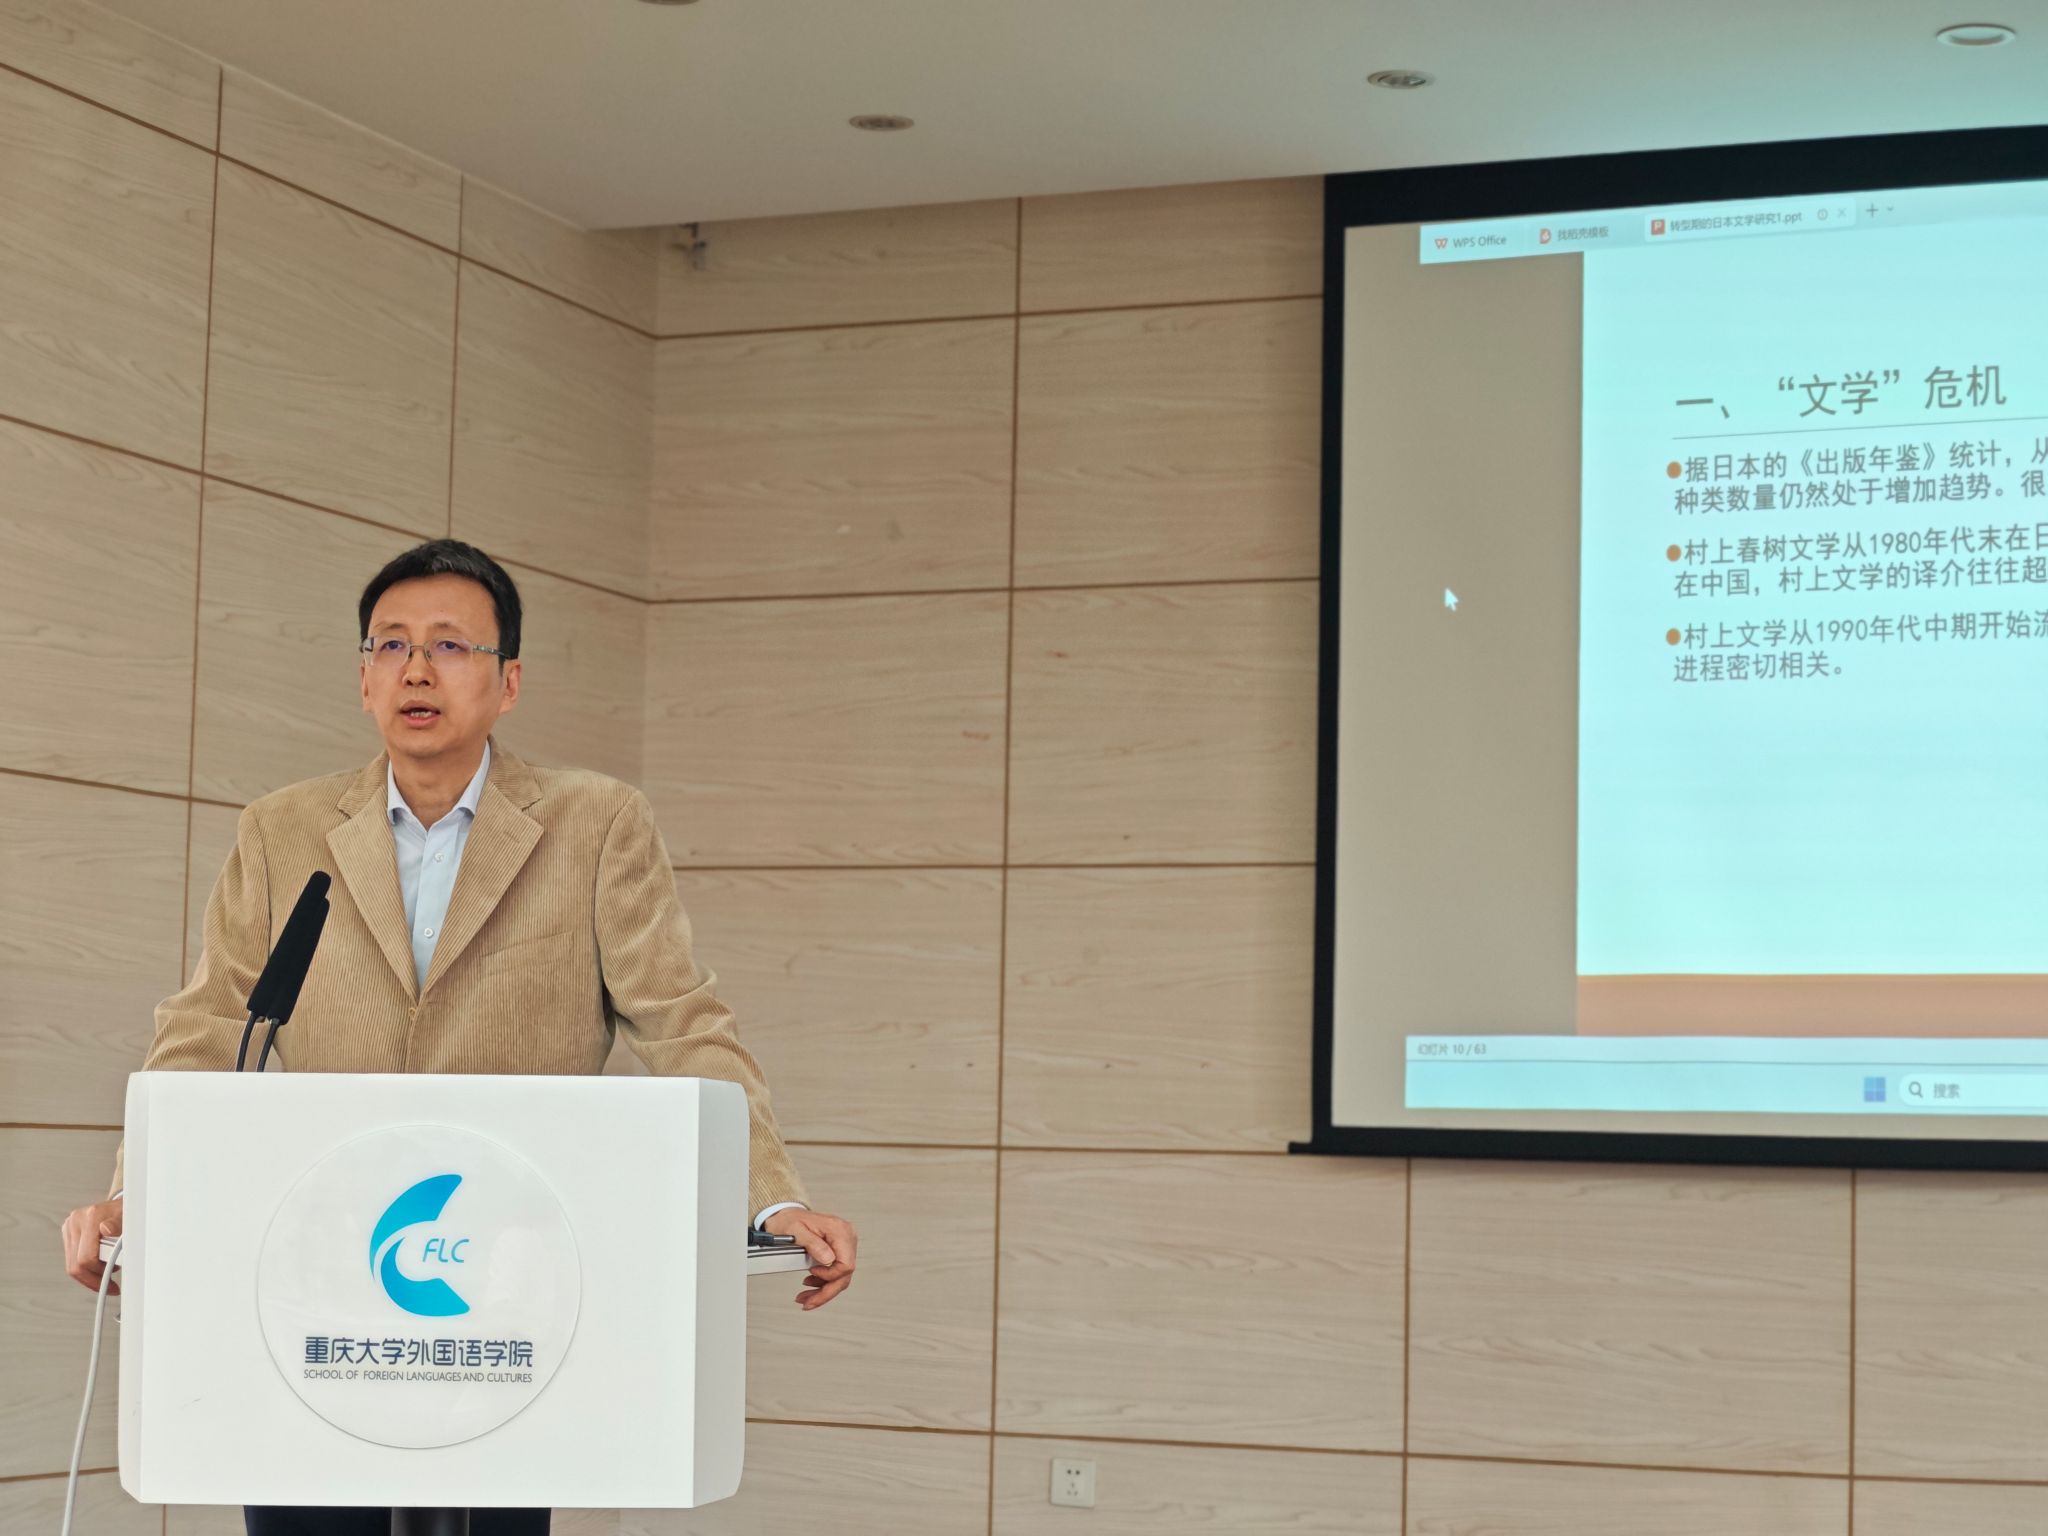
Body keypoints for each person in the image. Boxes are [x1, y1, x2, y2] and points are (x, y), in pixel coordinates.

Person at [58, 539, 856, 1536]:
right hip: (314, 1276)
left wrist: (772, 1199)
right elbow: (209, 1029)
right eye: (390, 645)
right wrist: (135, 1197)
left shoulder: (595, 825)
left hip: (505, 1287)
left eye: (449, 645)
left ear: (508, 680)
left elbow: (683, 1020)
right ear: (363, 678)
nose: (416, 670)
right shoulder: (282, 830)